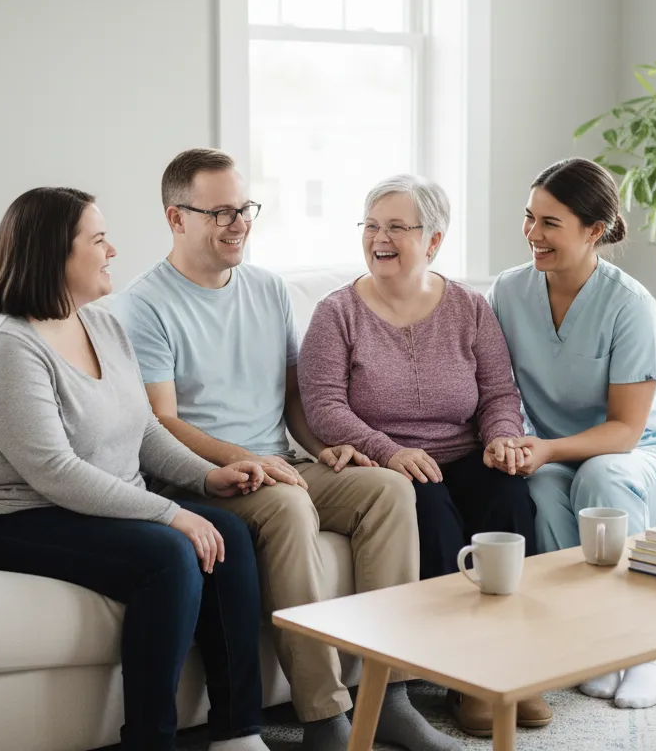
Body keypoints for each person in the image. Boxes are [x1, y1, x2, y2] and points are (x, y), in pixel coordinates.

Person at [108, 150, 455, 751]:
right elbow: (159, 421)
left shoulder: (268, 290)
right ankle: (323, 716)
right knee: (290, 509)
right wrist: (242, 462)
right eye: (219, 211)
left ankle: (389, 694)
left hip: (282, 463)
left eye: (243, 208)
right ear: (176, 218)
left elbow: (296, 401)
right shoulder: (145, 304)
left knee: (390, 489)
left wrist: (327, 448)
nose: (238, 222)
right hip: (201, 477)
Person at [0, 187, 270, 751]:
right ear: (55, 254)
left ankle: (238, 733)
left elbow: (143, 427)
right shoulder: (4, 346)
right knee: (170, 556)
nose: (113, 250)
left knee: (231, 534)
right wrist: (171, 513)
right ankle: (148, 741)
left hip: (94, 507)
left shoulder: (101, 324)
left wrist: (204, 477)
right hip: (14, 519)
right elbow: (55, 472)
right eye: (98, 240)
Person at [298, 175, 550, 736]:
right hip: (389, 461)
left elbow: (498, 394)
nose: (379, 238)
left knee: (511, 498)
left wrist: (503, 437)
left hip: (464, 450)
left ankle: (513, 664)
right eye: (371, 226)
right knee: (431, 515)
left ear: (433, 241)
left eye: (396, 228)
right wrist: (389, 451)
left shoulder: (469, 307)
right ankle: (467, 680)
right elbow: (323, 407)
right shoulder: (336, 313)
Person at [487, 157, 656, 711]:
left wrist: (547, 447)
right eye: (529, 218)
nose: (533, 234)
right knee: (540, 488)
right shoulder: (507, 292)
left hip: (637, 458)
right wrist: (513, 440)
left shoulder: (630, 305)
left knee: (600, 477)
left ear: (593, 230)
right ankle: (591, 645)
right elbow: (493, 387)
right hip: (554, 456)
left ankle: (640, 650)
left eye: (550, 223)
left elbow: (626, 430)